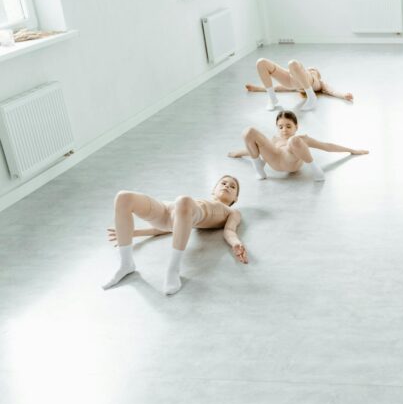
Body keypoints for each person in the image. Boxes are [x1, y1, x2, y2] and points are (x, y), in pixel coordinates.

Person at [102, 175, 247, 295]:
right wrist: (135, 232)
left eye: (232, 187)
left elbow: (229, 230)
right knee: (124, 197)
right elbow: (175, 228)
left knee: (183, 200)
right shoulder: (200, 200)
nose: (227, 186)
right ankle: (126, 264)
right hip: (165, 210)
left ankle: (173, 269)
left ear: (235, 199)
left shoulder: (232, 212)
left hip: (183, 208)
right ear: (213, 191)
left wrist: (235, 243)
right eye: (223, 183)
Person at [228, 110, 368, 182]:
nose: (284, 130)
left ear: (296, 126)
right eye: (280, 127)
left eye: (288, 126)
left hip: (291, 160)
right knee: (249, 132)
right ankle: (259, 169)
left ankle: (316, 171)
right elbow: (255, 149)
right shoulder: (275, 138)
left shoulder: (301, 139)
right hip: (274, 159)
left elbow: (326, 146)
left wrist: (352, 150)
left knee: (294, 141)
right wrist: (238, 153)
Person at [245, 58, 354, 111]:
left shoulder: (319, 82)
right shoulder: (297, 77)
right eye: (310, 68)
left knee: (292, 63)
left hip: (304, 82)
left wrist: (344, 95)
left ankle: (312, 97)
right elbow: (278, 88)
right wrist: (256, 88)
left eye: (313, 69)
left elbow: (332, 91)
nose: (311, 68)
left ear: (318, 74)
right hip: (291, 79)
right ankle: (272, 98)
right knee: (261, 62)